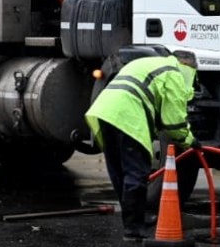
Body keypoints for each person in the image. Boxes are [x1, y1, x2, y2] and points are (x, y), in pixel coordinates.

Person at [85, 49, 199, 241]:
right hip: (126, 116)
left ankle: (133, 222)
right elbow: (173, 122)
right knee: (136, 172)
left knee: (120, 172)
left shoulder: (152, 63)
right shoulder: (175, 73)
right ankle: (133, 229)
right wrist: (190, 141)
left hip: (104, 112)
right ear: (188, 66)